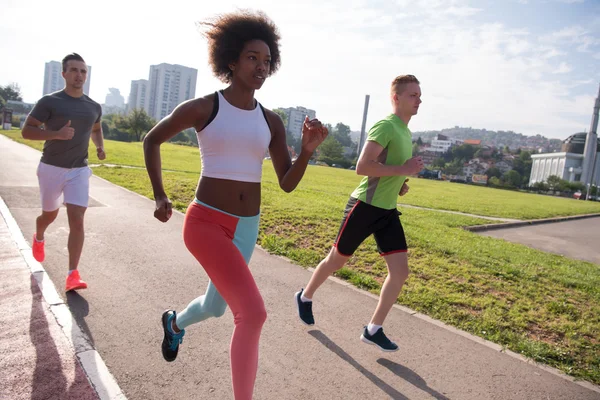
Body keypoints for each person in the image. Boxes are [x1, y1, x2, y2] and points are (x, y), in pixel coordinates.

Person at [143, 10, 327, 400]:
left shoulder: (272, 121)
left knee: (215, 306)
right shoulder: (204, 108)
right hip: (206, 224)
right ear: (230, 60)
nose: (261, 67)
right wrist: (160, 194)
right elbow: (151, 140)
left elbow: (287, 182)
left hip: (247, 226)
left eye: (266, 60)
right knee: (253, 314)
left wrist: (307, 152)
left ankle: (175, 324)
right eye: (251, 58)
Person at [295, 75, 424, 352]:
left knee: (400, 273)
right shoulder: (386, 126)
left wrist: (399, 183)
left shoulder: (405, 132)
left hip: (387, 211)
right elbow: (363, 166)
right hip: (364, 206)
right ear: (396, 98)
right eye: (413, 95)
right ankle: (305, 296)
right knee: (336, 261)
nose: (418, 100)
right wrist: (403, 170)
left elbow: (386, 166)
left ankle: (373, 329)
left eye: (419, 95)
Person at [22, 52, 105, 292]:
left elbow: (96, 129)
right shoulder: (50, 102)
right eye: (74, 70)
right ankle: (39, 236)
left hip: (79, 170)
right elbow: (27, 131)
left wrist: (99, 146)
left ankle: (72, 274)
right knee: (49, 215)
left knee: (77, 219)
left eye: (83, 71)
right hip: (50, 167)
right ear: (64, 74)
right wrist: (56, 134)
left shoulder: (93, 106)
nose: (79, 75)